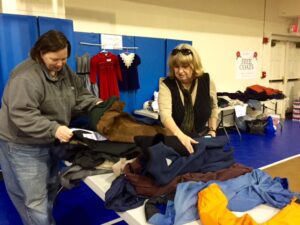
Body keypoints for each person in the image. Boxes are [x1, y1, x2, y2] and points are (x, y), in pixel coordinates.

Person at [0, 30, 102, 225]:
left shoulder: (64, 71)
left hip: (49, 140)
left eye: (64, 59)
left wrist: (96, 104)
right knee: (34, 199)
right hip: (22, 143)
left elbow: (79, 94)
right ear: (40, 53)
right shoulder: (26, 77)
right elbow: (22, 113)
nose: (61, 64)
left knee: (49, 187)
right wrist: (53, 129)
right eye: (55, 59)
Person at [158, 43, 219, 154]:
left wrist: (212, 130)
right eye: (176, 66)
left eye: (185, 66)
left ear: (194, 65)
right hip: (174, 138)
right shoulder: (166, 84)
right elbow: (165, 115)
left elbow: (213, 107)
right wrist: (181, 136)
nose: (180, 71)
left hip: (201, 137)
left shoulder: (207, 81)